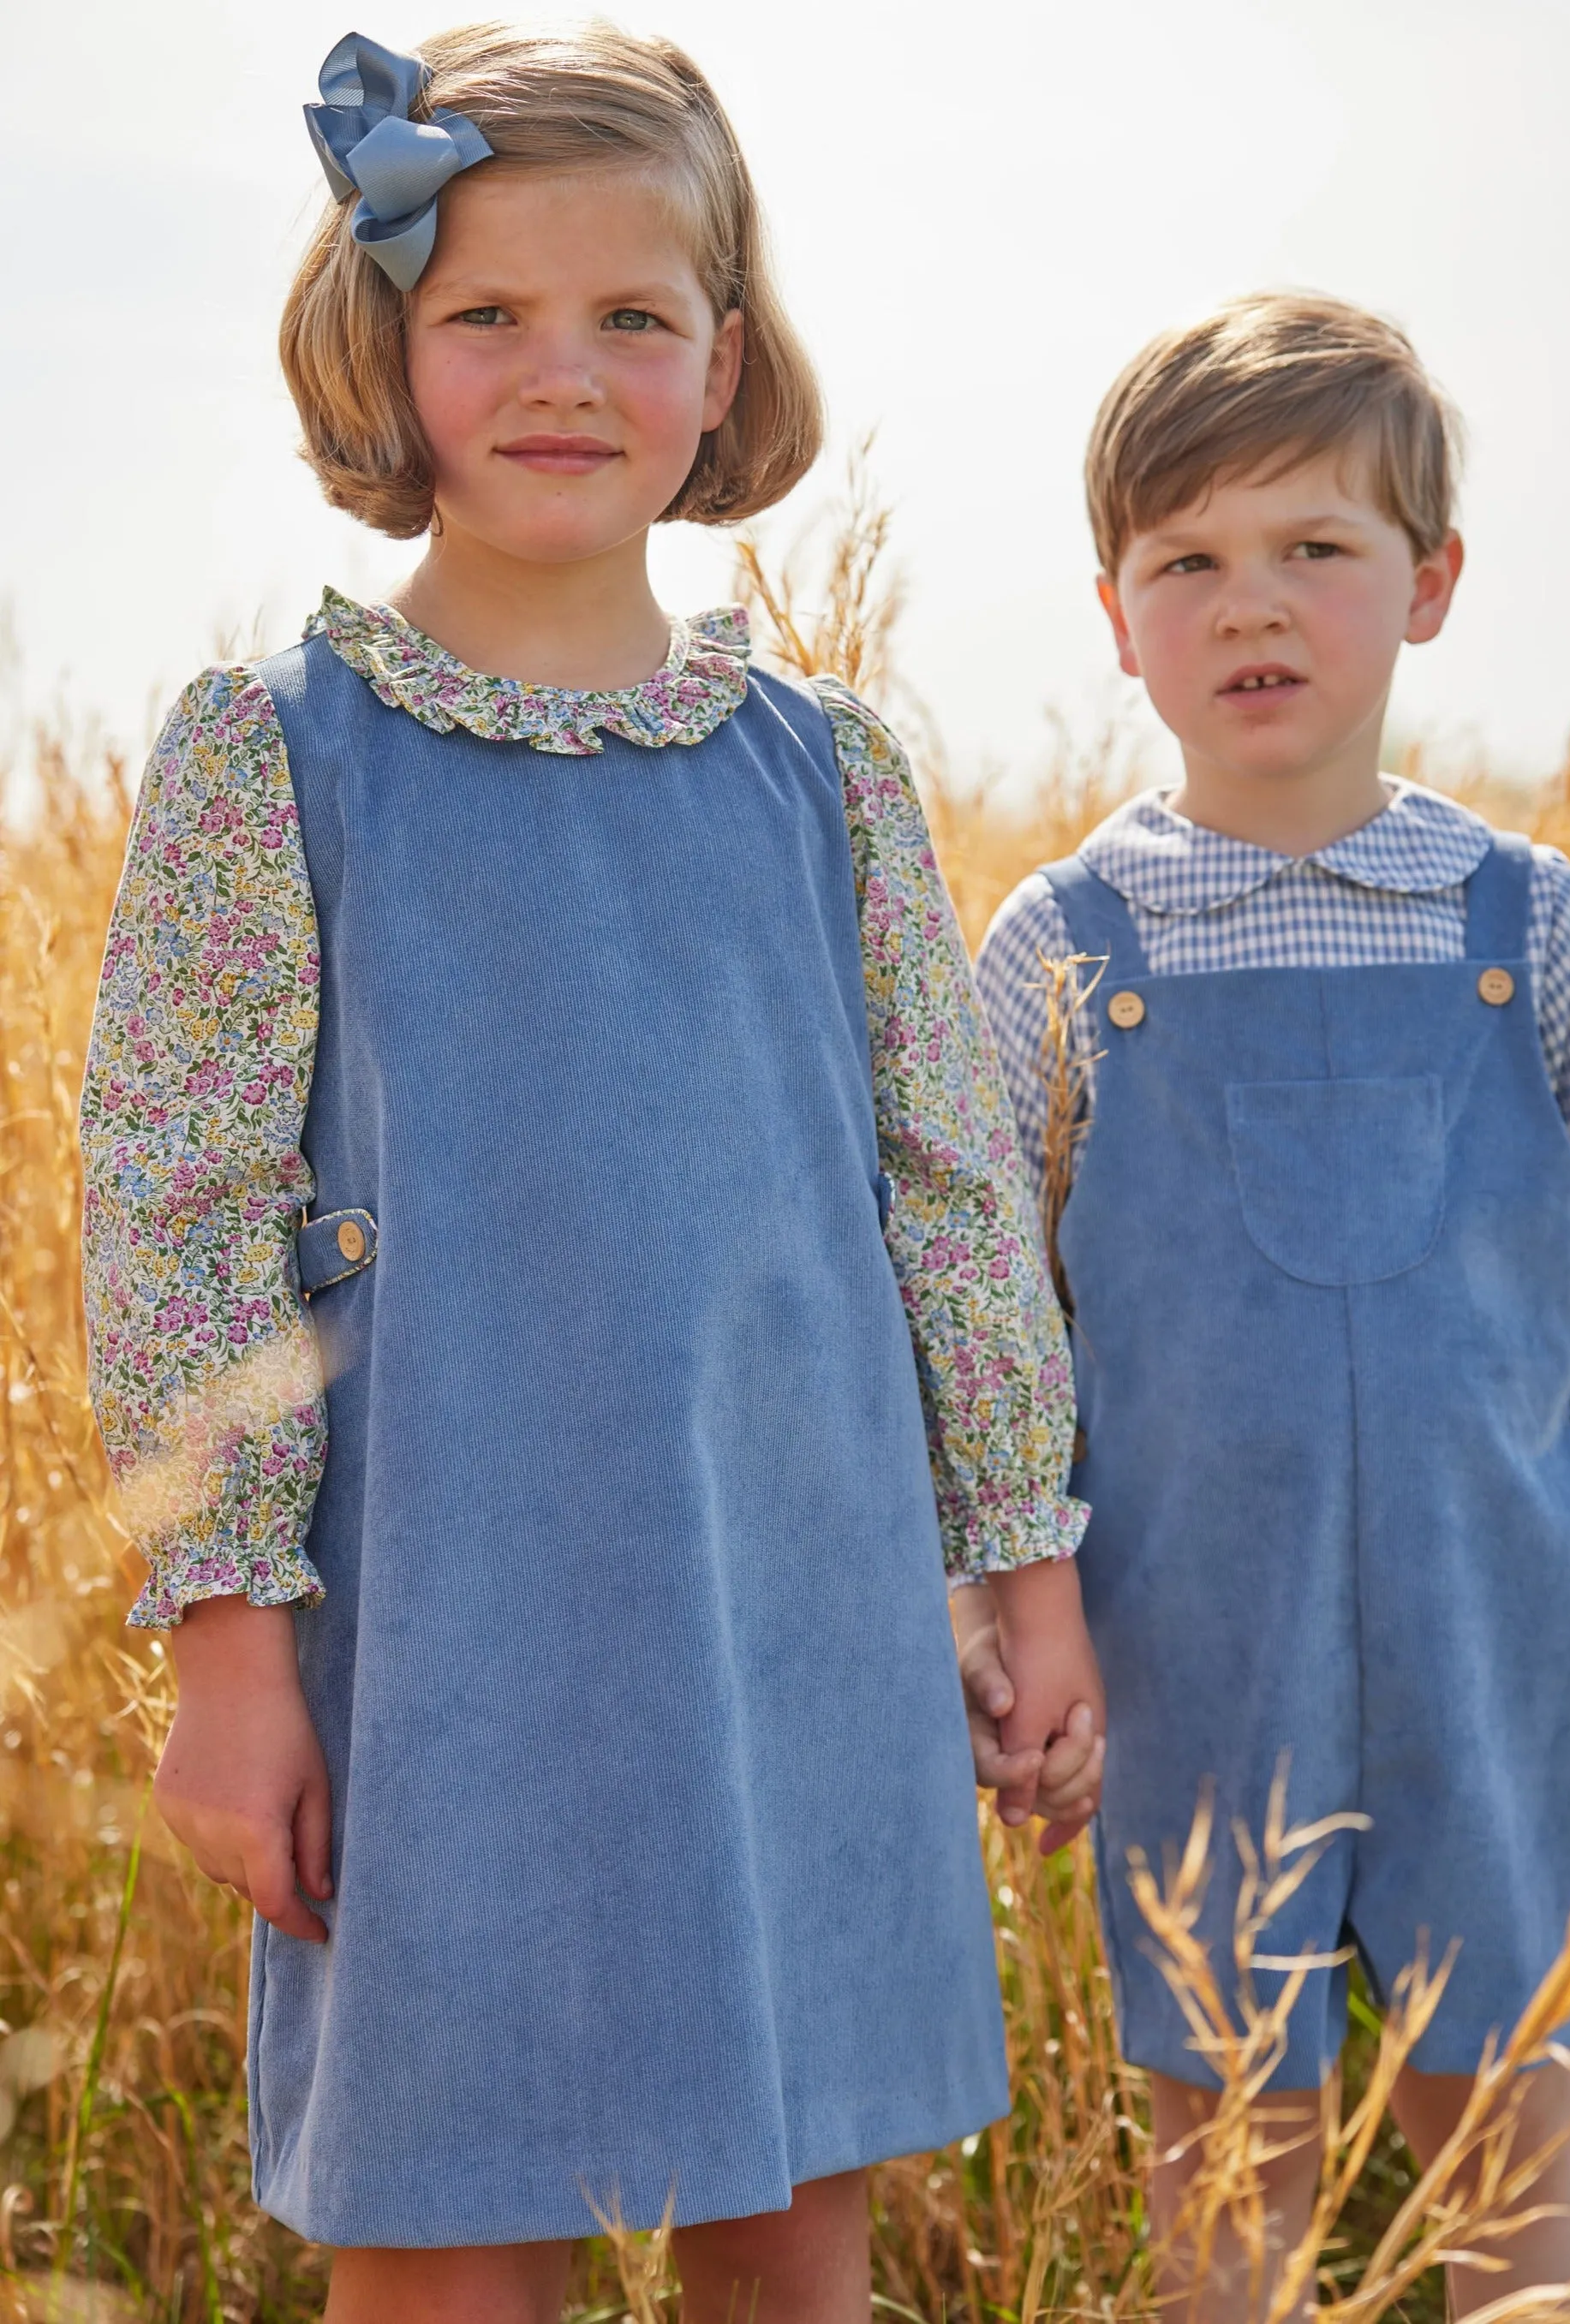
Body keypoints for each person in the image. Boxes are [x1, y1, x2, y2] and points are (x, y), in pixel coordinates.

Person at [78, 26, 1101, 2321]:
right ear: (387, 342)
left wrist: (1021, 1570)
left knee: (788, 2227)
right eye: (490, 317)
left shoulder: (826, 769)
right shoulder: (277, 753)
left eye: (631, 316)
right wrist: (227, 1652)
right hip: (441, 1633)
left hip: (795, 1607)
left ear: (723, 363)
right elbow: (177, 1209)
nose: (566, 371)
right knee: (446, 2240)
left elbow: (943, 1189)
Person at [965, 291, 1570, 2320]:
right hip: (1190, 1639)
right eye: (1186, 561)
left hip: (1483, 1625)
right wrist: (1000, 1600)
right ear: (1113, 617)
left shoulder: (1529, 921)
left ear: (1428, 585)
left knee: (1495, 2099)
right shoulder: (1062, 946)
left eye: (1311, 549)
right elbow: (985, 1304)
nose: (1246, 604)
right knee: (1231, 2125)